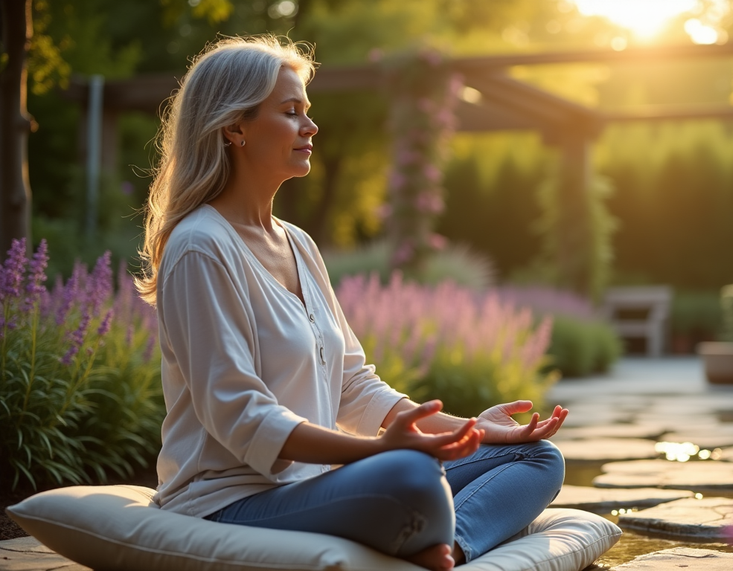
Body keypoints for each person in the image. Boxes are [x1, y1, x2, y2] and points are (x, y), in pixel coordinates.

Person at [135, 35, 568, 571]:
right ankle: (424, 527)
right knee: (410, 474)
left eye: (307, 113)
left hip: (320, 486)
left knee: (533, 456)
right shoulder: (200, 247)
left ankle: (450, 547)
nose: (311, 127)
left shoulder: (296, 242)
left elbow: (353, 386)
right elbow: (239, 415)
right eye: (291, 113)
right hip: (229, 501)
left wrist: (473, 431)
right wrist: (382, 453)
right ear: (235, 126)